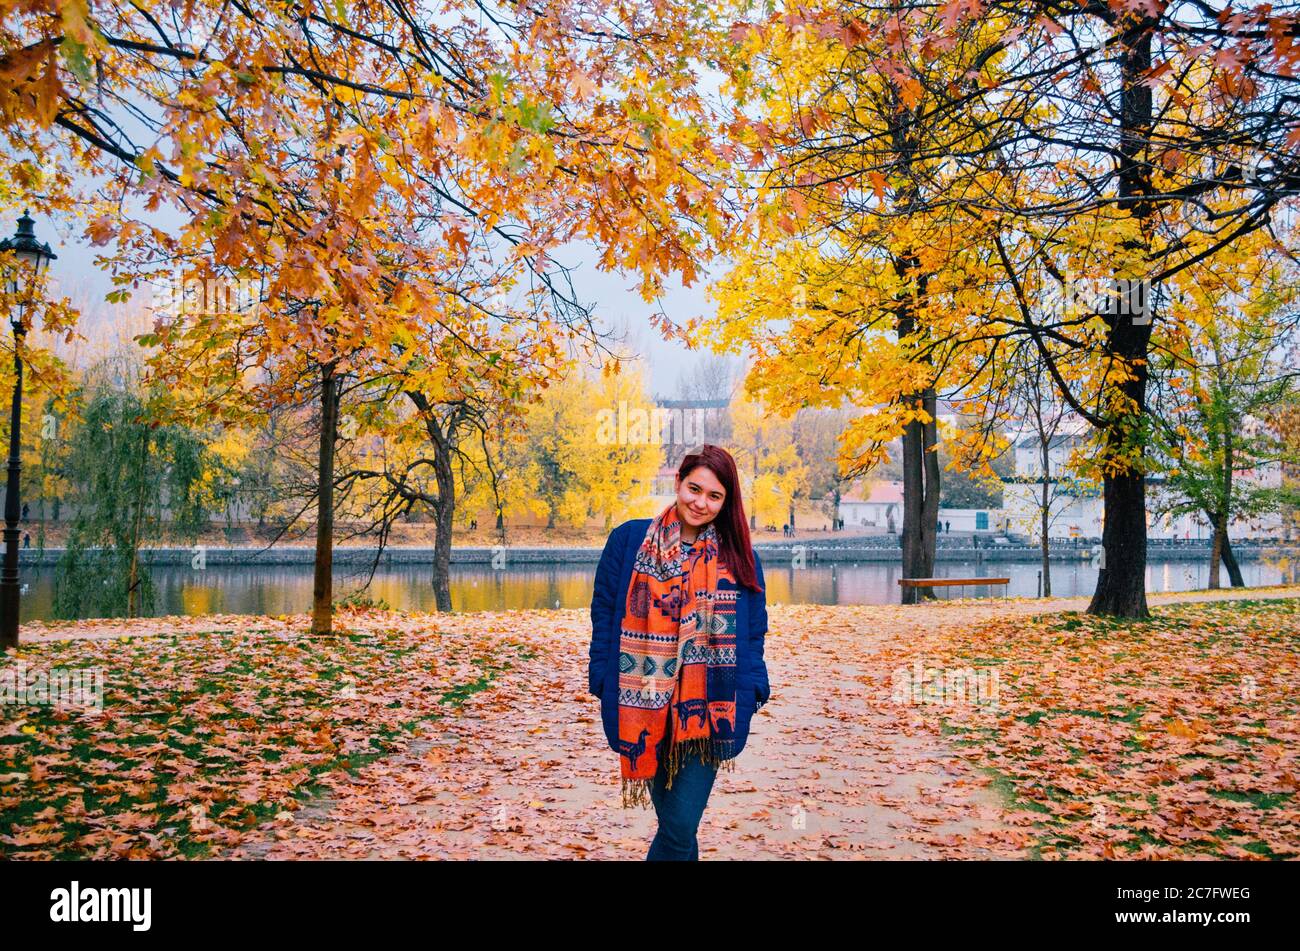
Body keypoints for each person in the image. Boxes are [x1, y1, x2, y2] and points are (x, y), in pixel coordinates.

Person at [588, 444, 771, 861]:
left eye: (714, 496)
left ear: (726, 503)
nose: (700, 502)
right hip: (644, 702)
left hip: (709, 705)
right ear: (678, 483)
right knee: (677, 831)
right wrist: (602, 677)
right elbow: (604, 613)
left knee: (680, 825)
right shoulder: (629, 540)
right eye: (694, 489)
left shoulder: (740, 557)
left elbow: (754, 630)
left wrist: (755, 684)